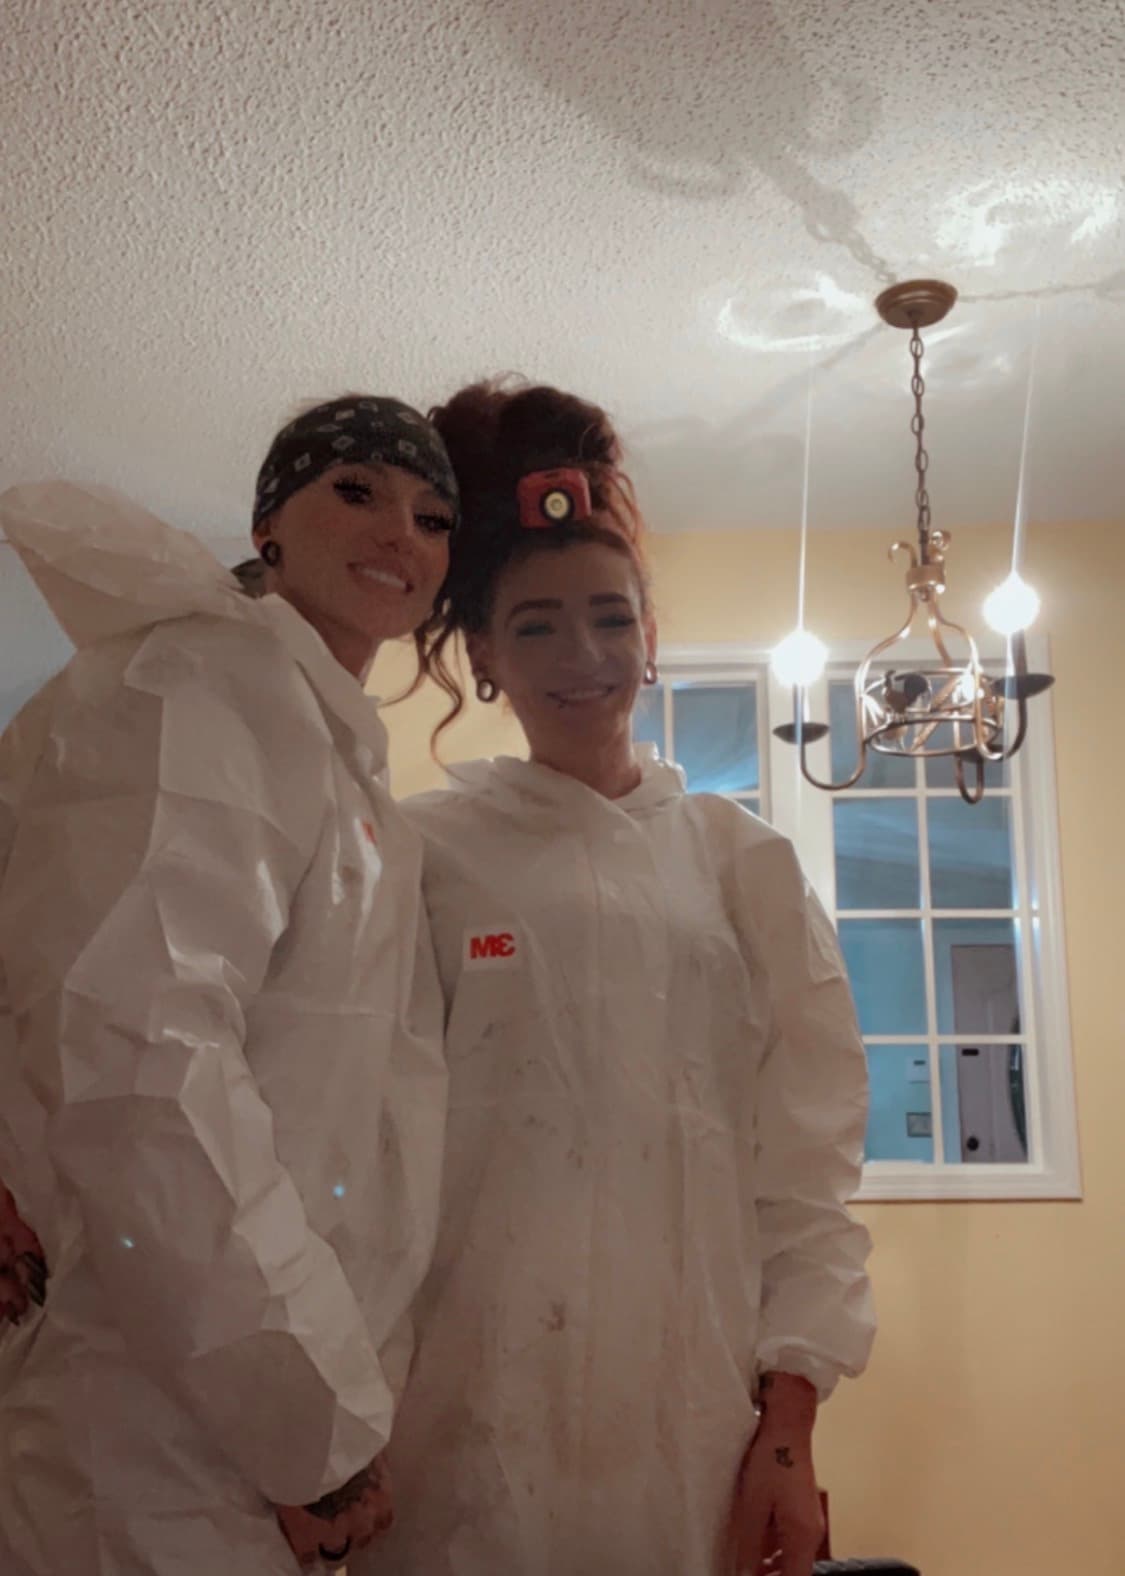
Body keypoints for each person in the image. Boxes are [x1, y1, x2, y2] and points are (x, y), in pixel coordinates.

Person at [362, 379, 876, 1576]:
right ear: (484, 656)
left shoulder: (738, 862)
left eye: (610, 617)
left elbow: (804, 1172)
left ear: (649, 636)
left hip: (688, 1430)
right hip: (461, 1425)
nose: (581, 654)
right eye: (535, 625)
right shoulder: (426, 851)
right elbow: (366, 1148)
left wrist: (788, 1439)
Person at [0, 396, 457, 1575]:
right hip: (156, 1410)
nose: (400, 532)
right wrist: (310, 1431)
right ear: (268, 526)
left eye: (432, 513)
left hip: (230, 1409)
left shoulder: (327, 745)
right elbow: (141, 1066)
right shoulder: (200, 683)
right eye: (353, 491)